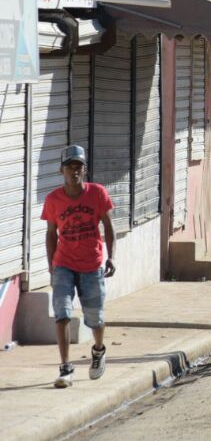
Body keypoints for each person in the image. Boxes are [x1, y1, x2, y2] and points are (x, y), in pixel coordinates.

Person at [43, 145, 115, 388]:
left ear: (84, 170)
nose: (74, 172)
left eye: (78, 167)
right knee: (62, 313)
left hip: (92, 263)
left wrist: (111, 256)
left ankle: (98, 350)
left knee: (95, 318)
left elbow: (108, 226)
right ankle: (65, 367)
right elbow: (51, 233)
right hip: (63, 263)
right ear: (61, 170)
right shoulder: (53, 199)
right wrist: (51, 263)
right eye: (69, 167)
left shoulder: (97, 193)